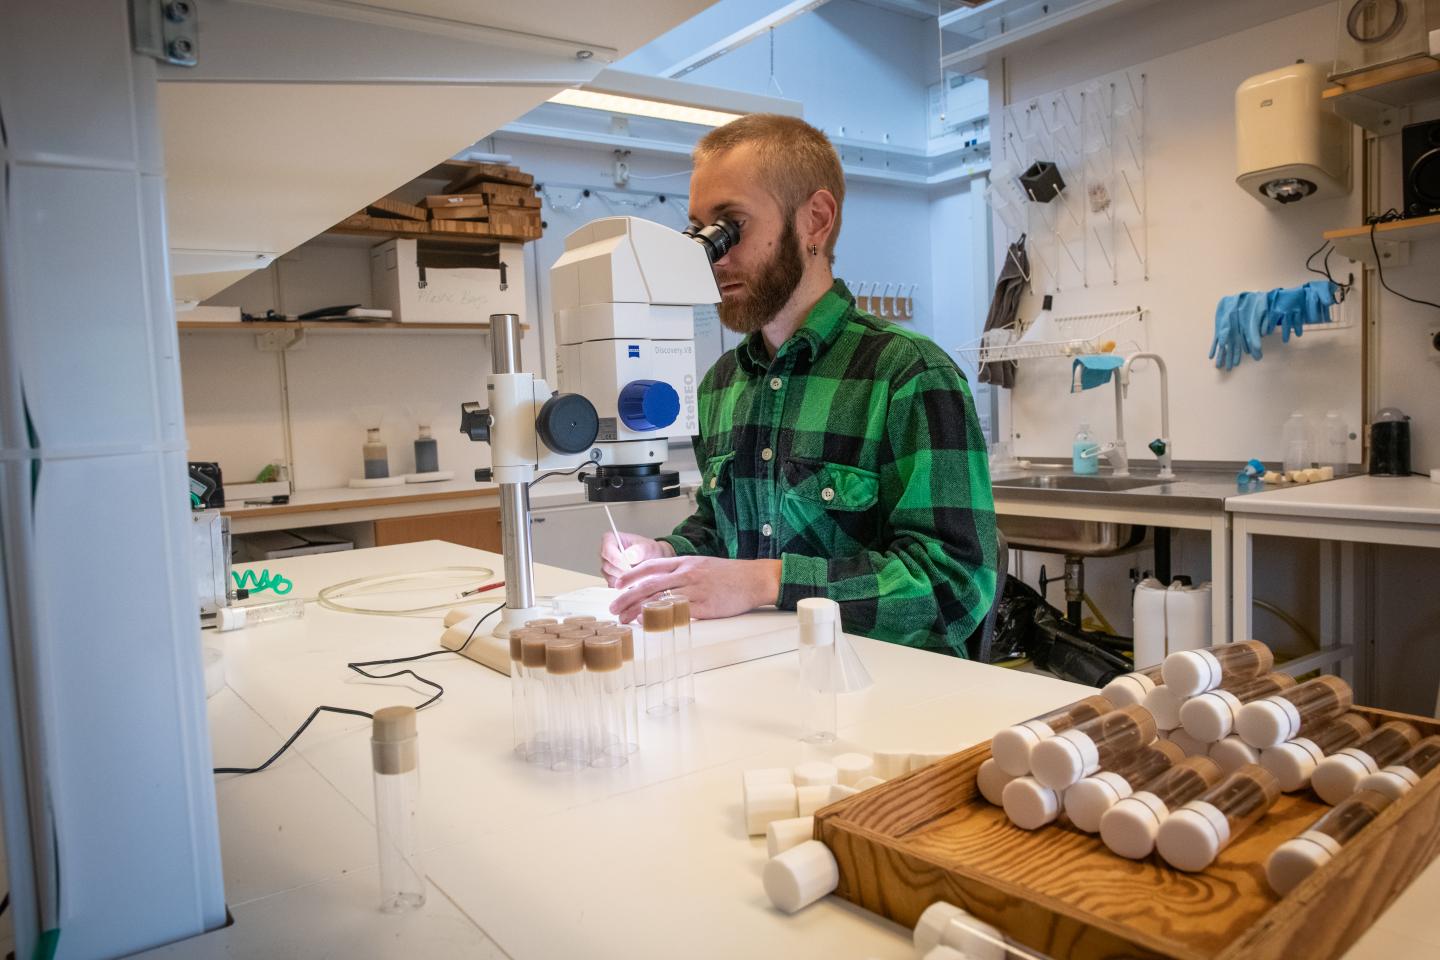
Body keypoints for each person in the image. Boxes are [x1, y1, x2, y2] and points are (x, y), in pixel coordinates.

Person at [602, 114, 998, 656]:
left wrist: (768, 582)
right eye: (699, 231)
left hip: (887, 700)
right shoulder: (721, 385)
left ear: (815, 220)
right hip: (763, 683)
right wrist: (665, 555)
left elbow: (952, 587)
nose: (711, 259)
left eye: (729, 227)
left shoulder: (909, 376)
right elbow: (725, 529)